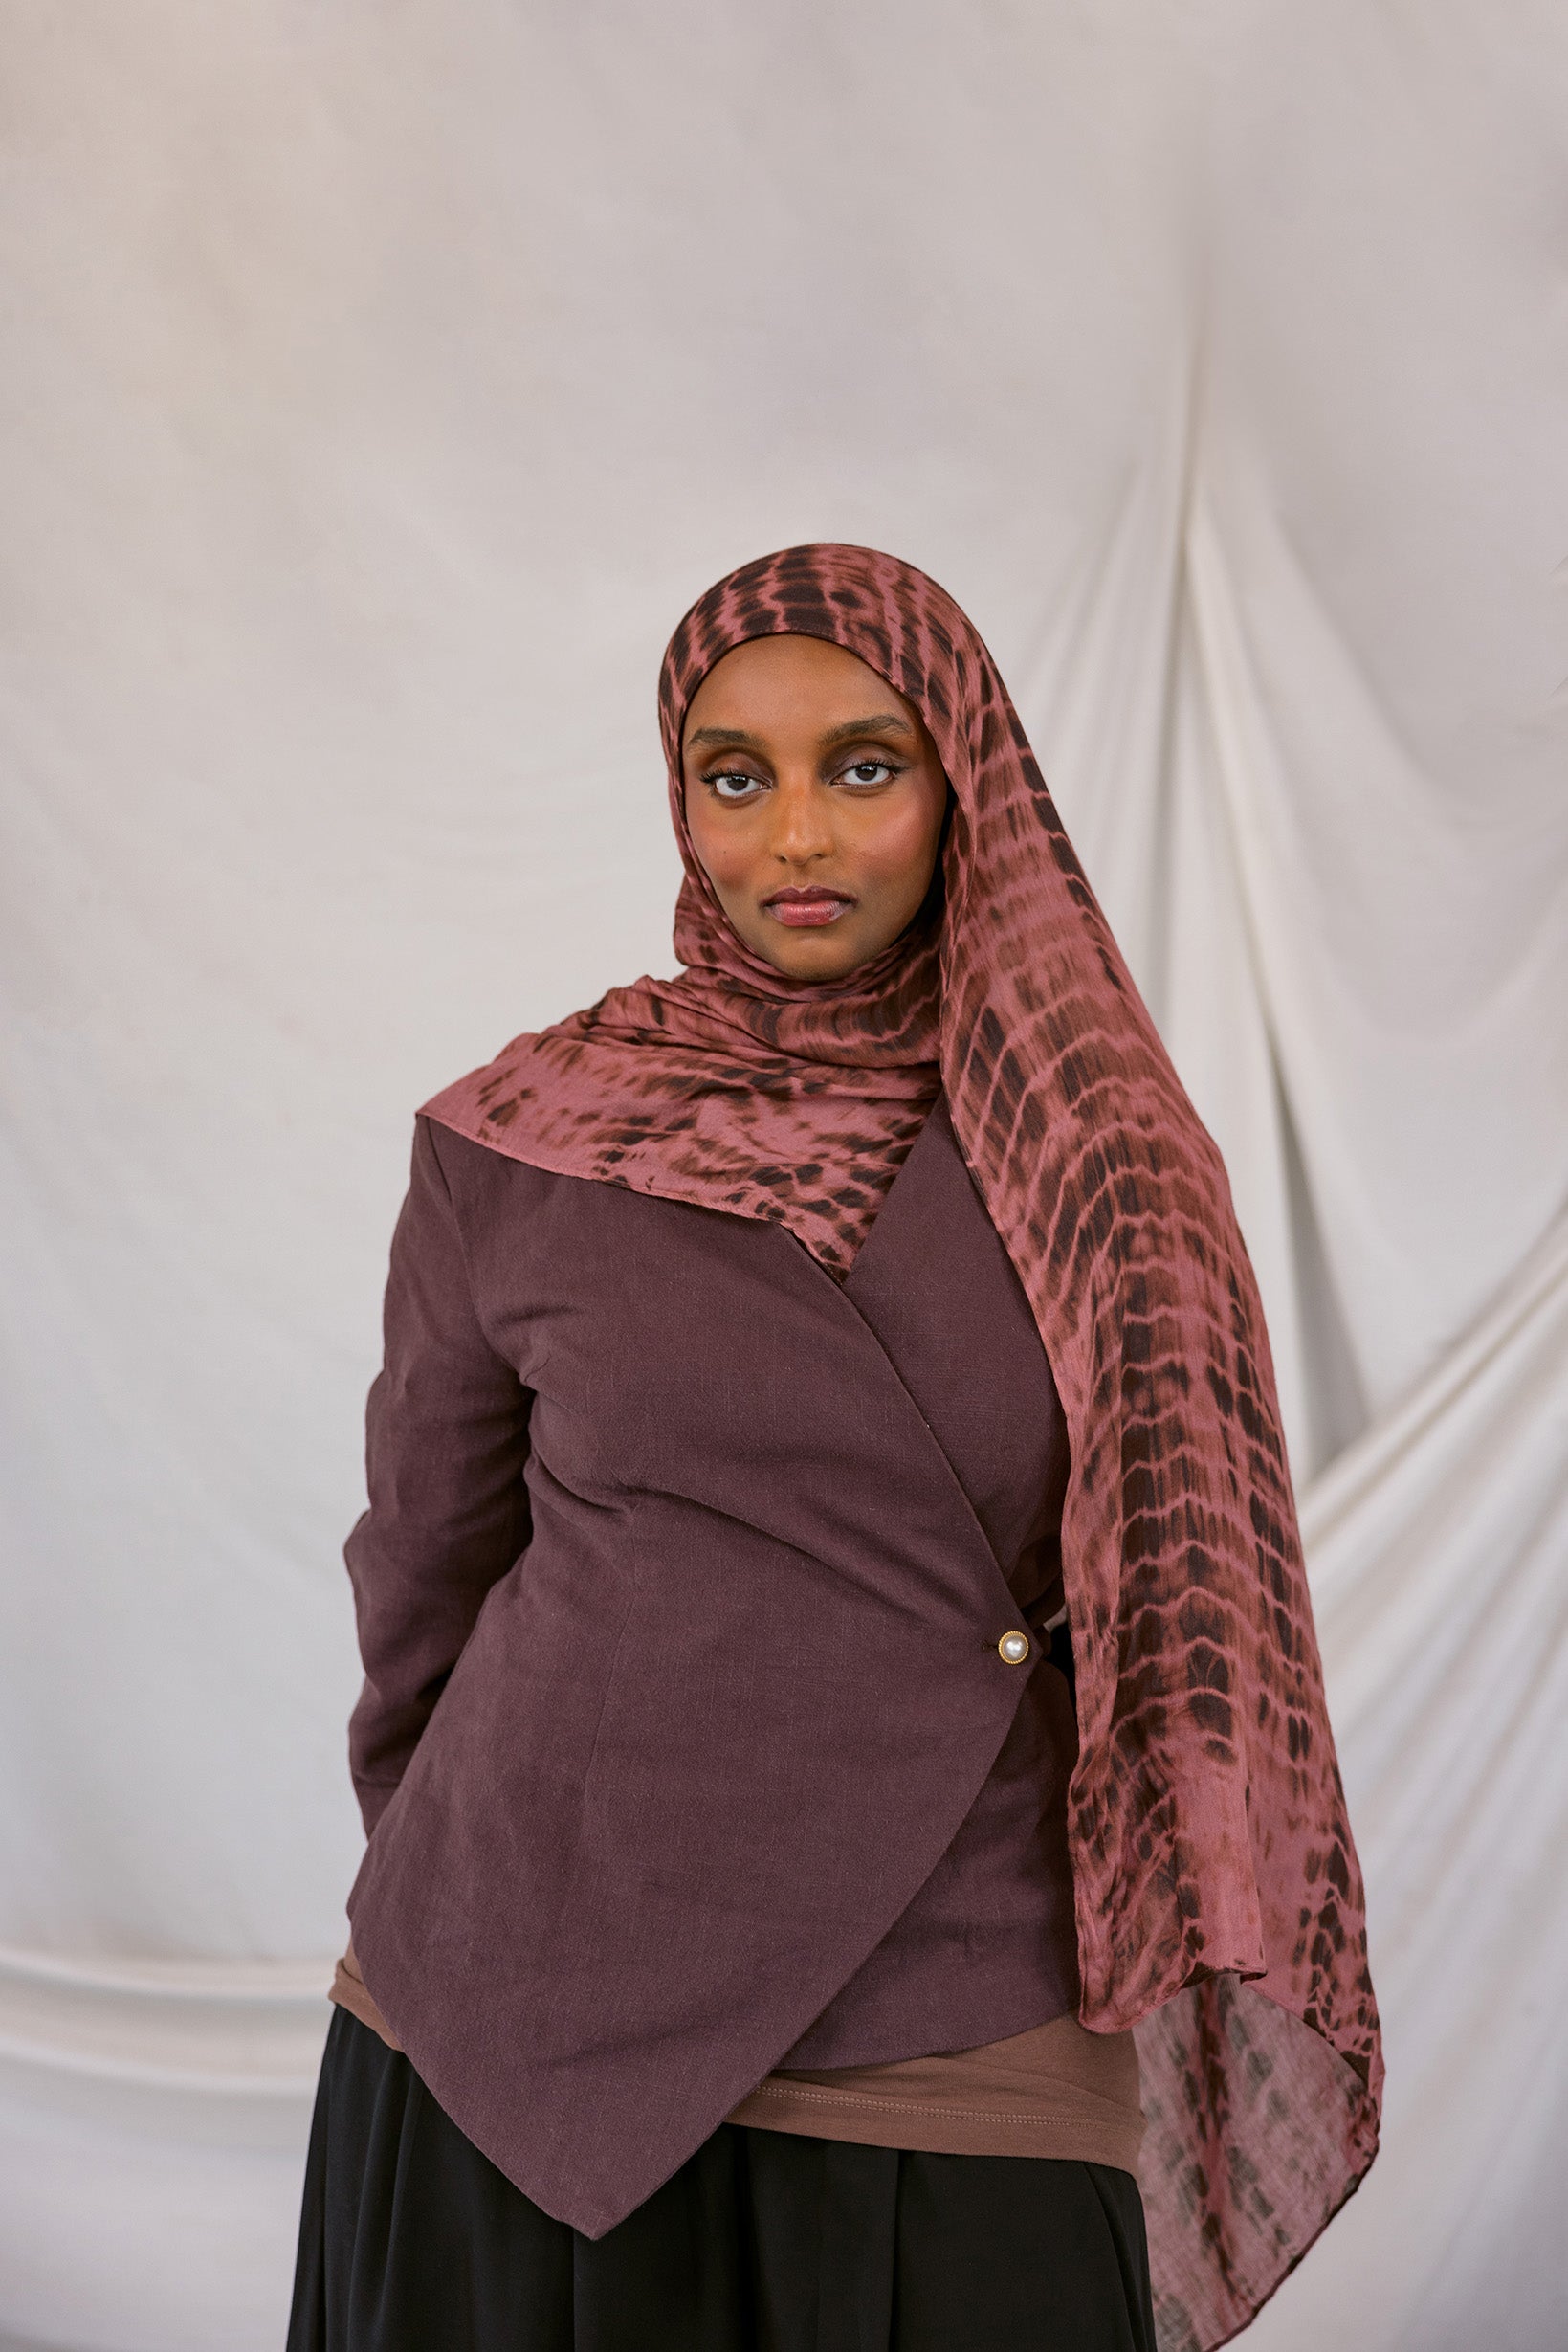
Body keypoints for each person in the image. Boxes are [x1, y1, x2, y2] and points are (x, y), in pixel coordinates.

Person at [287, 544, 1381, 2352]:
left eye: (863, 766)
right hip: (512, 2008)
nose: (795, 833)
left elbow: (1182, 1635)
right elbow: (421, 1592)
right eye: (738, 774)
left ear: (967, 783)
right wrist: (503, 1887)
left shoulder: (1103, 1156)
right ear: (681, 798)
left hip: (955, 2007)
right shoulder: (517, 1142)